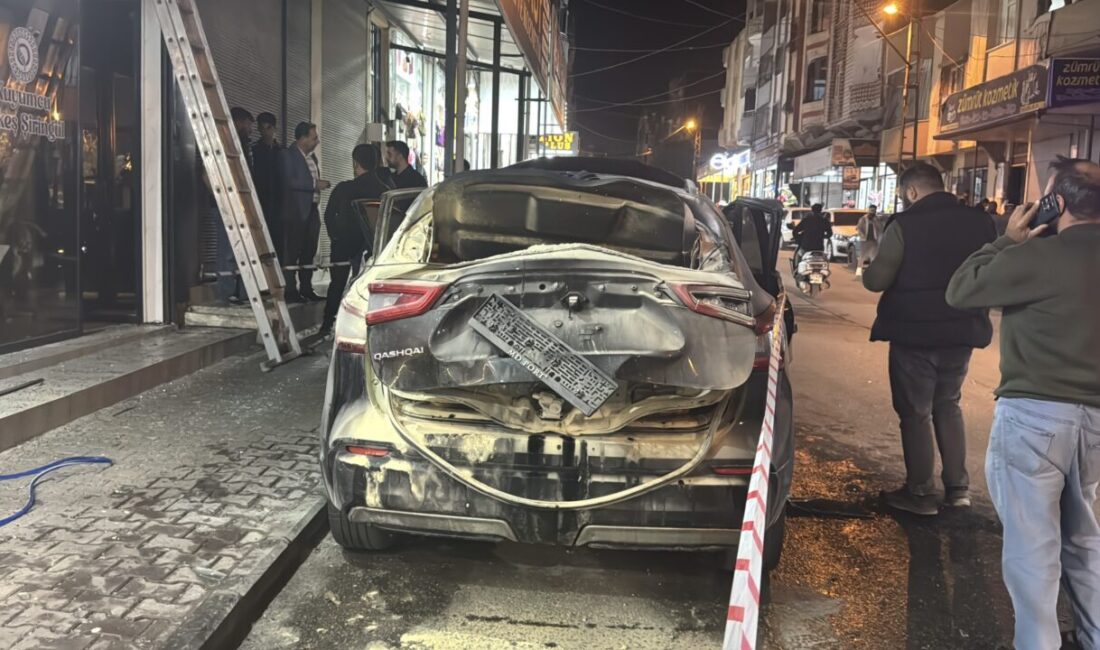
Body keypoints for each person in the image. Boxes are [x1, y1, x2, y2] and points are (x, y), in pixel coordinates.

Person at [946, 157, 1100, 650]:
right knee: (1087, 542)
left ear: (1058, 203)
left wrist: (1006, 238)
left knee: (1033, 549)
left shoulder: (1037, 257)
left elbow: (962, 289)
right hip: (1095, 419)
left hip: (1035, 417)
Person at [862, 162, 996, 515]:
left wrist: (868, 263)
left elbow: (876, 280)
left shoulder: (905, 224)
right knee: (948, 404)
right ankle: (958, 489)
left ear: (911, 192)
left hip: (914, 335)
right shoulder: (980, 221)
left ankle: (920, 493)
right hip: (962, 330)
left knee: (915, 412)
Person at [320, 144, 394, 337]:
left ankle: (328, 323)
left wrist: (335, 236)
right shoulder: (384, 191)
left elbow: (328, 215)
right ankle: (367, 325)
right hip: (371, 248)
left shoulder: (344, 189)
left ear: (355, 163)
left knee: (337, 285)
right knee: (368, 288)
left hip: (343, 245)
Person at [279, 121, 330, 302]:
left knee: (309, 251)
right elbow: (289, 181)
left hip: (312, 211)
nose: (317, 141)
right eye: (313, 138)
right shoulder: (288, 155)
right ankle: (290, 291)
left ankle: (307, 288)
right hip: (295, 212)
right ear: (302, 138)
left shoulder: (312, 158)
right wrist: (315, 185)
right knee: (292, 252)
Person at [252, 112, 283, 257]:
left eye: (268, 128)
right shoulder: (254, 150)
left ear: (274, 128)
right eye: (262, 128)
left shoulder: (281, 152)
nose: (265, 132)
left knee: (277, 242)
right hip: (259, 201)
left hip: (278, 203)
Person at [791, 203, 832, 271]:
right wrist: (822, 236)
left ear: (812, 210)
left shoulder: (807, 220)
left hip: (806, 247)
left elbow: (795, 231)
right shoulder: (824, 221)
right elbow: (830, 234)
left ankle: (797, 271)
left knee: (798, 256)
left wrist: (798, 239)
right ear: (820, 210)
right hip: (819, 247)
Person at [855, 204, 881, 277]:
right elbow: (859, 228)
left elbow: (880, 228)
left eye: (874, 211)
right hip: (864, 240)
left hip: (874, 240)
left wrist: (876, 221)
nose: (872, 212)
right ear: (869, 210)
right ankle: (859, 271)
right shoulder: (863, 219)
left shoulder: (876, 219)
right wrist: (862, 234)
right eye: (871, 210)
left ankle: (873, 271)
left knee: (874, 256)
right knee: (862, 256)